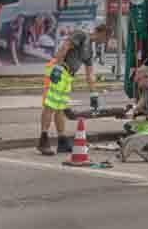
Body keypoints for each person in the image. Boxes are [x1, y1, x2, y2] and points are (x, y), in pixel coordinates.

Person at [38, 24, 109, 155]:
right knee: (50, 106)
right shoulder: (81, 35)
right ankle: (43, 140)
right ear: (101, 33)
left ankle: (62, 141)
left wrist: (94, 94)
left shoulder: (89, 51)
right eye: (105, 38)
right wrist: (57, 68)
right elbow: (64, 47)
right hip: (59, 70)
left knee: (60, 108)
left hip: (68, 76)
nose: (104, 42)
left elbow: (90, 74)